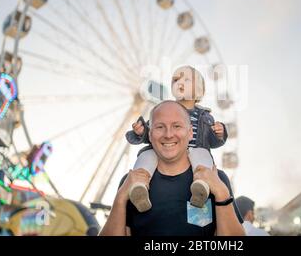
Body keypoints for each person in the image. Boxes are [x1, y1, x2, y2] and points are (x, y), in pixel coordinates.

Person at [99, 100, 244, 236]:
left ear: (190, 132)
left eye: (177, 126)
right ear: (149, 134)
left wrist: (221, 193)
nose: (168, 135)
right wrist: (120, 198)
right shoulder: (131, 182)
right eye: (160, 127)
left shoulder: (217, 179)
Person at [126, 66, 227, 212]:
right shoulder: (164, 110)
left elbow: (211, 139)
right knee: (146, 155)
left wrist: (219, 134)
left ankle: (201, 185)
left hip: (195, 150)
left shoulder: (205, 117)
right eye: (175, 79)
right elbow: (154, 132)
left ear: (199, 90)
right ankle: (139, 186)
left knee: (203, 156)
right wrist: (141, 132)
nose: (180, 82)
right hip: (165, 152)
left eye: (186, 79)